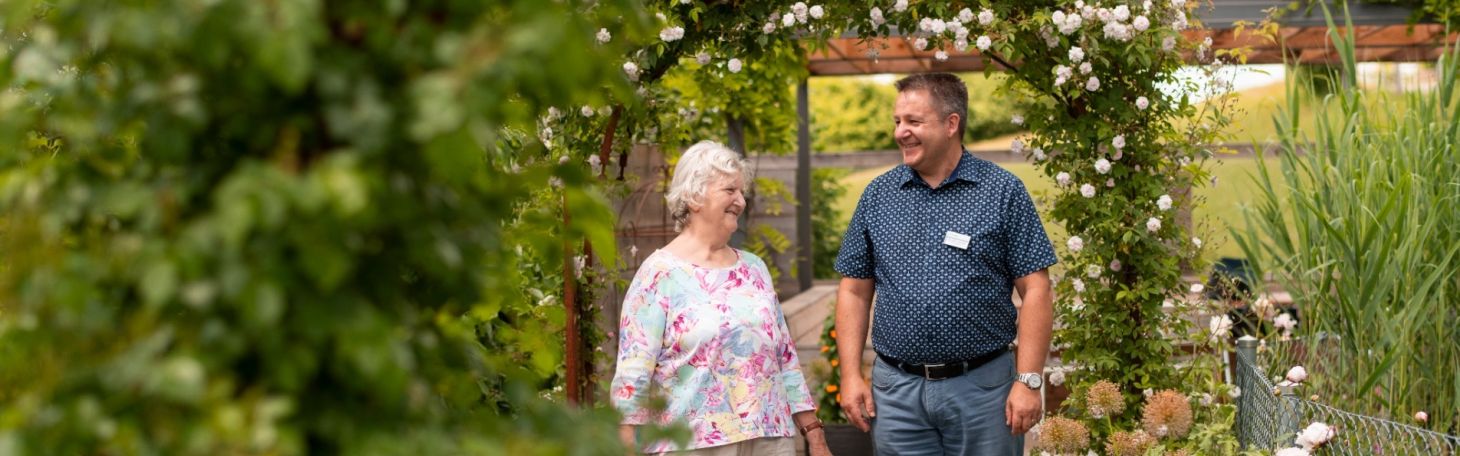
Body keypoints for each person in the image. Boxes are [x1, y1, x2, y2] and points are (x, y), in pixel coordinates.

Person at [833, 73, 1058, 455]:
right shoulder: (878, 196)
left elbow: (1037, 289)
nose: (901, 132)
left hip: (983, 391)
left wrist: (1029, 380)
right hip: (897, 392)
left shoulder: (1002, 191)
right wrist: (850, 374)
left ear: (951, 124)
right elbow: (854, 290)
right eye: (897, 121)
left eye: (913, 122)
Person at [610, 140, 832, 456]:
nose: (740, 201)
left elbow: (784, 356)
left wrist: (814, 433)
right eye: (730, 190)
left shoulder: (754, 269)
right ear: (694, 196)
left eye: (742, 192)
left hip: (769, 438)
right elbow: (633, 372)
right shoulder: (659, 274)